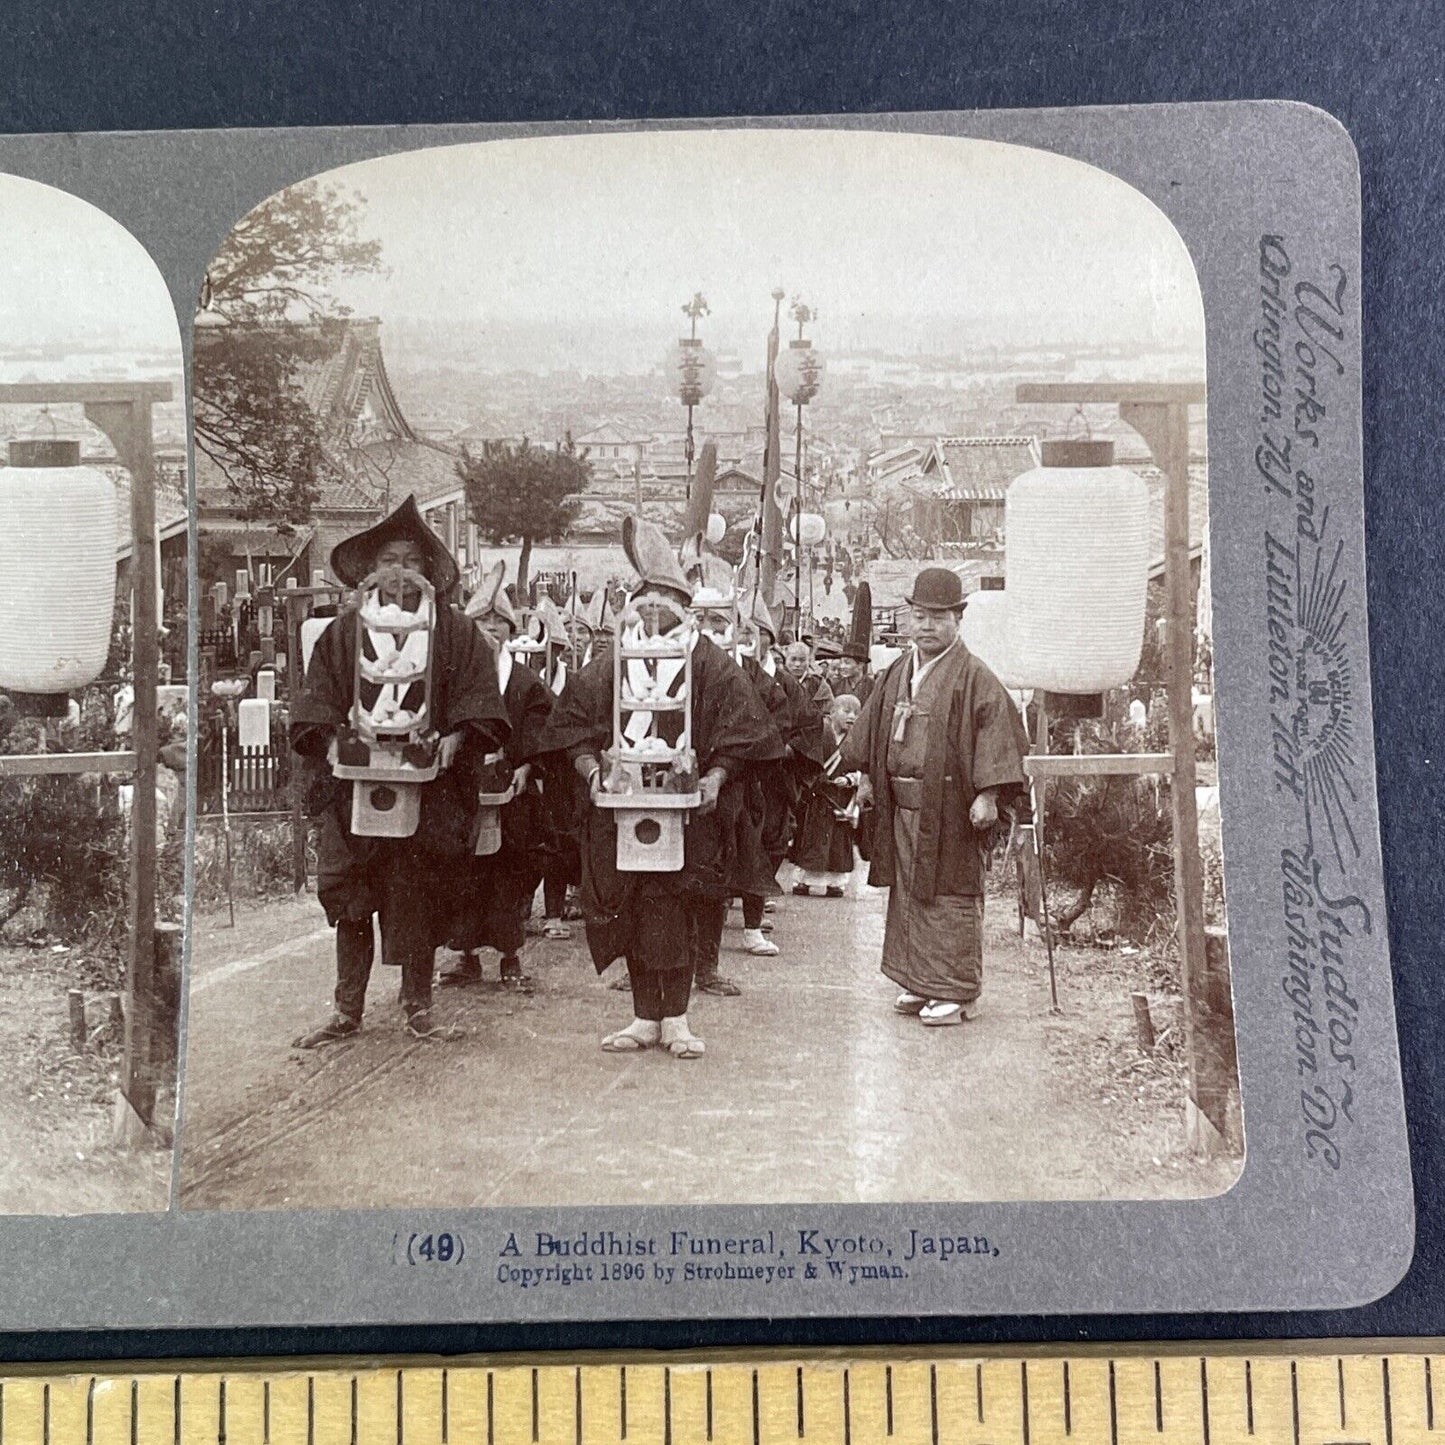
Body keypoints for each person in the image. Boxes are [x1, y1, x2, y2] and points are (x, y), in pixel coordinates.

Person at [540, 517, 778, 1058]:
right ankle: (643, 1017)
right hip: (621, 806)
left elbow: (746, 730)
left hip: (689, 811)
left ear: (683, 606)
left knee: (677, 910)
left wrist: (716, 777)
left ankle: (677, 1019)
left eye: (664, 600)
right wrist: (591, 770)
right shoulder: (612, 662)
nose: (652, 609)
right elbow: (573, 724)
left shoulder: (708, 662)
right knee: (629, 908)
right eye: (644, 599)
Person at [290, 497, 510, 1045]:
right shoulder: (343, 633)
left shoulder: (456, 633)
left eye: (411, 560)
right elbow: (316, 703)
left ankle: (418, 1006)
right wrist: (337, 741)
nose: (399, 571)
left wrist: (453, 741)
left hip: (427, 787)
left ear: (427, 572)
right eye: (389, 558)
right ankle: (347, 1010)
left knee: (418, 895)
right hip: (355, 788)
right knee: (352, 898)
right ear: (371, 569)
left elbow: (478, 701)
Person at [839, 566, 1028, 1027]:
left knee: (949, 893)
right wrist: (866, 777)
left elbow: (997, 735)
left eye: (937, 618)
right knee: (908, 892)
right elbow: (872, 729)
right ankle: (918, 981)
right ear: (908, 618)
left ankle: (955, 990)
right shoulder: (897, 672)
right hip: (900, 806)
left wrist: (988, 794)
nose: (926, 626)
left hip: (951, 809)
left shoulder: (975, 677)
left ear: (957, 620)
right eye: (919, 616)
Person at [441, 562, 555, 992]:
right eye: (482, 622)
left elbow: (541, 728)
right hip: (465, 790)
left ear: (510, 629)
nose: (491, 630)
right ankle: (465, 956)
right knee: (461, 873)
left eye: (498, 622)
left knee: (508, 873)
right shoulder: (454, 680)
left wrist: (528, 767)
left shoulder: (525, 682)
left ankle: (510, 956)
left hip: (512, 790)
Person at [790, 691, 863, 897]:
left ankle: (835, 882)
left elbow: (863, 766)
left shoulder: (856, 739)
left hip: (841, 796)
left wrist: (850, 779)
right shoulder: (820, 733)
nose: (852, 716)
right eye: (846, 711)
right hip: (817, 794)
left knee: (838, 841)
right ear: (831, 713)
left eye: (856, 712)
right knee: (811, 837)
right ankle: (803, 880)